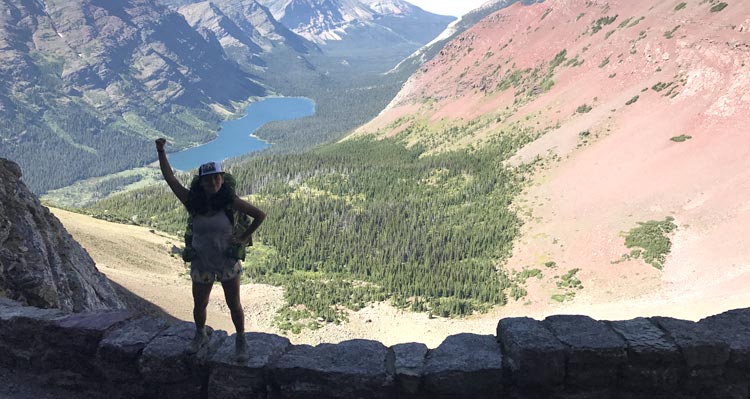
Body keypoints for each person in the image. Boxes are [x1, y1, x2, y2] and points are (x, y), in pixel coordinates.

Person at [155, 138, 266, 361]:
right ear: (202, 183)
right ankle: (200, 334)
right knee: (200, 304)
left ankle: (241, 339)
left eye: (217, 177)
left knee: (234, 304)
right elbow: (170, 178)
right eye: (209, 179)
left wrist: (243, 238)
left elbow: (260, 215)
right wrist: (161, 151)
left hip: (226, 261)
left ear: (222, 179)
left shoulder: (229, 201)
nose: (214, 182)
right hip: (202, 262)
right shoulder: (191, 201)